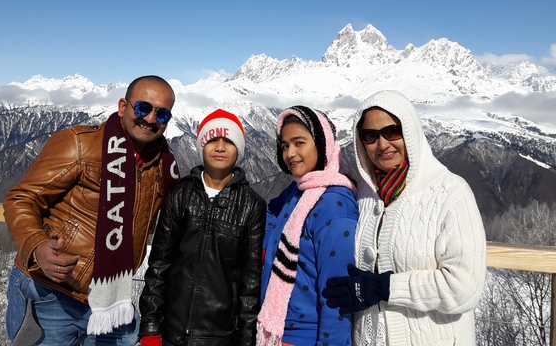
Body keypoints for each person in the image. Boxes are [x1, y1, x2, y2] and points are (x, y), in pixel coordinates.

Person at [3, 75, 179, 346]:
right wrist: (37, 244)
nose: (151, 119)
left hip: (111, 301)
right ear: (123, 107)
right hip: (52, 293)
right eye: (143, 108)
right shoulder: (80, 144)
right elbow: (21, 198)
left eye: (162, 113)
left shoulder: (163, 167)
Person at [322, 90, 487, 345]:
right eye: (370, 135)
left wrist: (384, 288)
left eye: (392, 131)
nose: (382, 144)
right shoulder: (363, 194)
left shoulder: (451, 192)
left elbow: (464, 288)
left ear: (409, 130)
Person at [139, 109, 266, 346]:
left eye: (228, 141)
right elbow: (158, 266)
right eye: (212, 140)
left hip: (220, 336)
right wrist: (150, 328)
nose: (219, 147)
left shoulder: (252, 206)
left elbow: (250, 283)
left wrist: (246, 339)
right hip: (171, 331)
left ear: (238, 149)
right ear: (201, 147)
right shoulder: (179, 195)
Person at [257, 106, 358, 346]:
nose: (290, 153)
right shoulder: (298, 189)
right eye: (284, 146)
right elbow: (272, 210)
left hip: (306, 337)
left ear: (322, 145)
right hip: (277, 332)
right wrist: (267, 248)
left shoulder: (335, 206)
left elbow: (338, 296)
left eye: (299, 143)